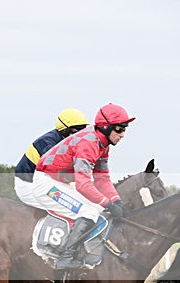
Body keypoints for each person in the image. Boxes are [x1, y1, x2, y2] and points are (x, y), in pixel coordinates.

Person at [31, 103, 134, 270]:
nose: (123, 134)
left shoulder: (103, 144)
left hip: (58, 181)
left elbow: (102, 178)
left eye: (125, 129)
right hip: (46, 183)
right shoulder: (89, 143)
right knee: (89, 211)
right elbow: (83, 184)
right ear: (106, 127)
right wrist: (108, 204)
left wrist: (116, 200)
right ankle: (65, 256)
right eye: (120, 129)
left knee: (97, 209)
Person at [14, 108, 88, 207]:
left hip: (45, 182)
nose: (80, 136)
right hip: (28, 185)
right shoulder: (49, 144)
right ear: (65, 131)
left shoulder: (67, 141)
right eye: (77, 131)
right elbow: (55, 175)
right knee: (70, 206)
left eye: (83, 131)